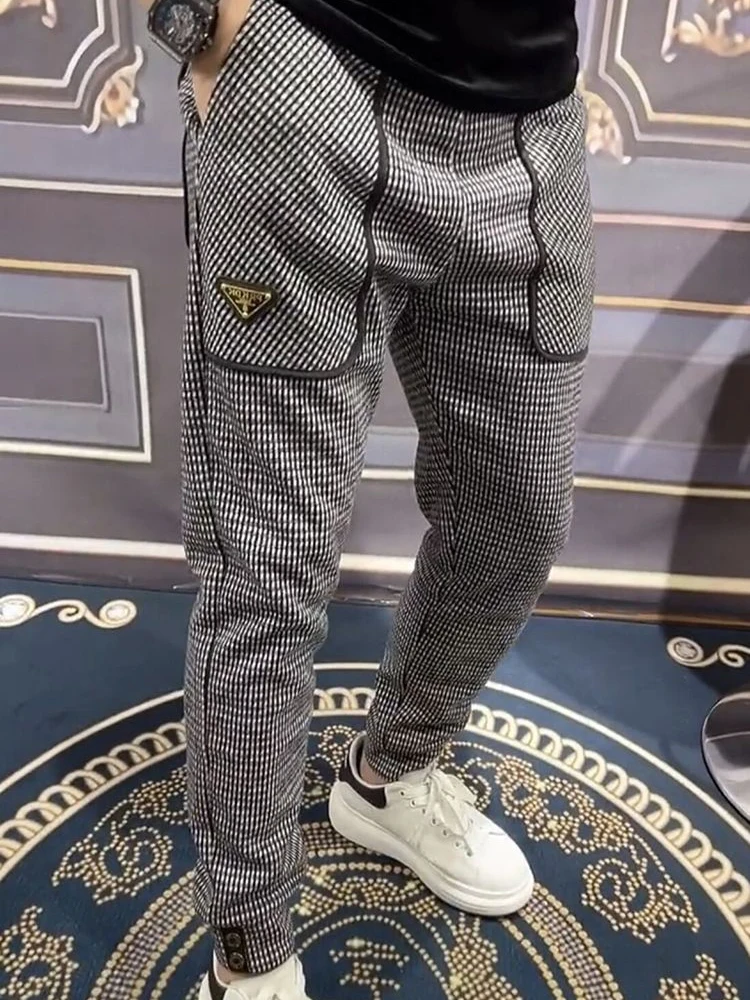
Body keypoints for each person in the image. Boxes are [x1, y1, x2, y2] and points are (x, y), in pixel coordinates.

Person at [141, 1, 594, 997]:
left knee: (517, 514)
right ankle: (250, 954)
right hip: (311, 75)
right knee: (268, 576)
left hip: (530, 110)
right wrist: (200, 19)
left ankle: (389, 777)